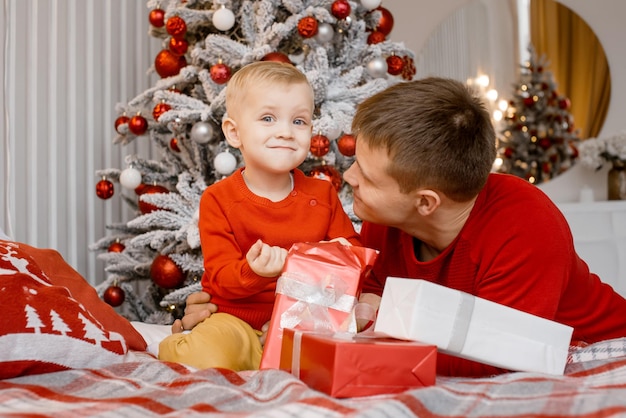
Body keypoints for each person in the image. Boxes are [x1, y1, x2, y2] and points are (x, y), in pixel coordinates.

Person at [174, 77, 626, 377]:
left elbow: (498, 360)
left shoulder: (526, 226)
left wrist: (376, 328)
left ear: (424, 202)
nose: (346, 177)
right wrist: (226, 307)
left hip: (596, 348)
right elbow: (343, 308)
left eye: (366, 176)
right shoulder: (384, 223)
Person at [158, 61, 360, 371]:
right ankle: (185, 341)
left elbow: (350, 261)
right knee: (208, 357)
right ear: (234, 132)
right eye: (268, 118)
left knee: (331, 365)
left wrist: (296, 317)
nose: (285, 132)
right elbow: (222, 277)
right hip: (234, 320)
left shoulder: (322, 195)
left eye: (299, 121)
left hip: (303, 321)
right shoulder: (218, 199)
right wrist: (256, 272)